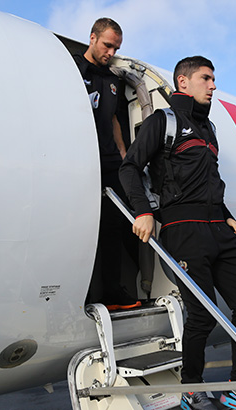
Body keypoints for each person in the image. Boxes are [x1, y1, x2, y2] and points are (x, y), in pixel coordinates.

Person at [119, 56, 236, 410]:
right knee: (203, 313)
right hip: (183, 229)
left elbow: (208, 181)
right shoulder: (162, 121)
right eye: (206, 78)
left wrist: (227, 216)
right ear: (183, 82)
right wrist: (143, 211)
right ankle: (191, 387)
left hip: (219, 229)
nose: (213, 85)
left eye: (213, 79)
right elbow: (129, 168)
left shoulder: (208, 129)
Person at [74, 18, 139, 310]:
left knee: (113, 227)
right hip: (82, 160)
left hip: (110, 163)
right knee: (83, 228)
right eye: (107, 45)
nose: (111, 52)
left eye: (116, 48)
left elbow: (113, 119)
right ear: (92, 38)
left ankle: (112, 292)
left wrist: (123, 155)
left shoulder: (113, 80)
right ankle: (82, 294)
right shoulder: (74, 69)